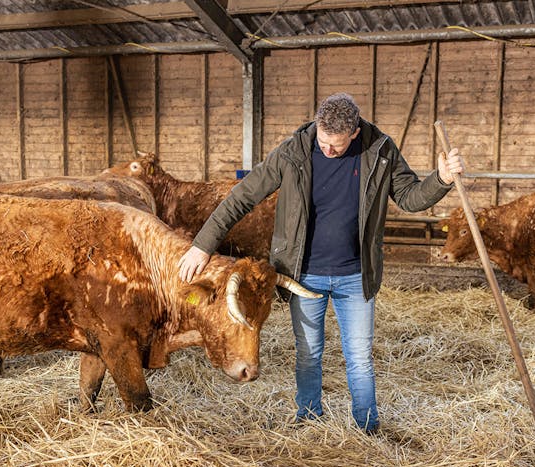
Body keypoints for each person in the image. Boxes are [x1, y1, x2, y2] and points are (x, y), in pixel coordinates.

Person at [178, 92, 464, 434]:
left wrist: (441, 179)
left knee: (359, 357)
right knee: (308, 353)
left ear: (354, 133)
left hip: (356, 276)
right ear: (317, 126)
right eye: (323, 141)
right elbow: (243, 196)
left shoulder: (380, 150)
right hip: (304, 276)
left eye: (336, 146)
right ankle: (308, 418)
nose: (327, 150)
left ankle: (367, 427)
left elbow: (410, 197)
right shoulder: (294, 151)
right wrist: (202, 245)